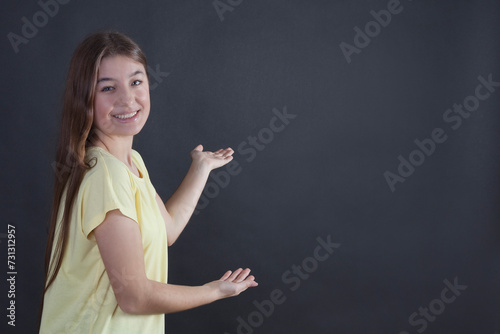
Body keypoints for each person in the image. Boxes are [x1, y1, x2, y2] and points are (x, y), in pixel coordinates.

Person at [39, 31, 258, 334]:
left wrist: (200, 168)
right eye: (107, 88)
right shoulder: (106, 175)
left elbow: (165, 230)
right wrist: (214, 291)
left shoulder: (130, 163)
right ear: (84, 97)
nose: (127, 99)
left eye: (136, 82)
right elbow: (134, 296)